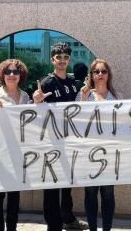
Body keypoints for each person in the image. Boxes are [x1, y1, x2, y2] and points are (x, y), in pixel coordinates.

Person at [33, 42, 89, 231]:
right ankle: (53, 225)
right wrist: (37, 102)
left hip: (70, 142)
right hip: (51, 143)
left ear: (69, 59)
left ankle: (68, 219)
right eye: (59, 57)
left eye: (66, 57)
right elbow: (37, 115)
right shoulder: (46, 83)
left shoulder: (74, 84)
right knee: (51, 187)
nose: (62, 61)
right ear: (53, 60)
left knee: (67, 185)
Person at [0, 59, 31, 231]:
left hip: (18, 153)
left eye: (15, 72)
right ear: (2, 75)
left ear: (21, 76)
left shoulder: (26, 97)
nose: (12, 75)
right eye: (8, 72)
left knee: (14, 196)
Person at [76, 59, 118, 231]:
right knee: (91, 193)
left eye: (103, 71)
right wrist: (83, 98)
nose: (100, 75)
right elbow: (74, 119)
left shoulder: (116, 97)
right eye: (96, 72)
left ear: (108, 74)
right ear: (91, 75)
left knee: (108, 194)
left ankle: (107, 228)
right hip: (89, 152)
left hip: (109, 153)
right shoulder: (84, 95)